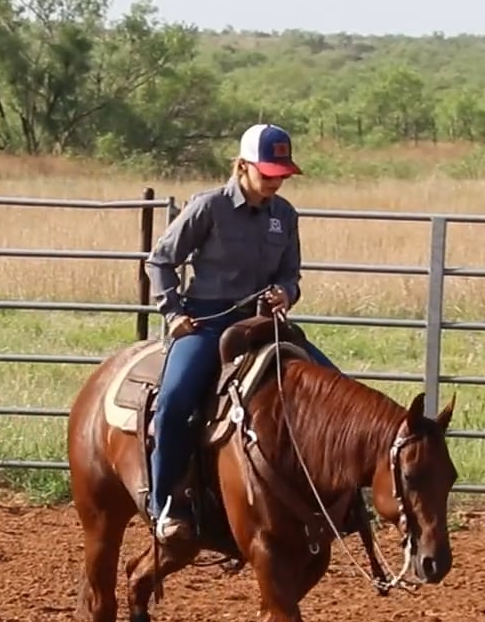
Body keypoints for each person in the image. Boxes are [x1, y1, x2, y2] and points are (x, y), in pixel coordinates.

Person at [142, 122, 338, 543]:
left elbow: (290, 273)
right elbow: (160, 261)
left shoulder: (284, 216)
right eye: (268, 174)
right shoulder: (208, 207)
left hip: (261, 325)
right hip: (207, 322)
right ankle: (165, 506)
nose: (275, 182)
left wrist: (285, 293)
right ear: (243, 166)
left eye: (281, 175)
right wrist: (173, 313)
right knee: (175, 402)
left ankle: (336, 503)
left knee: (336, 391)